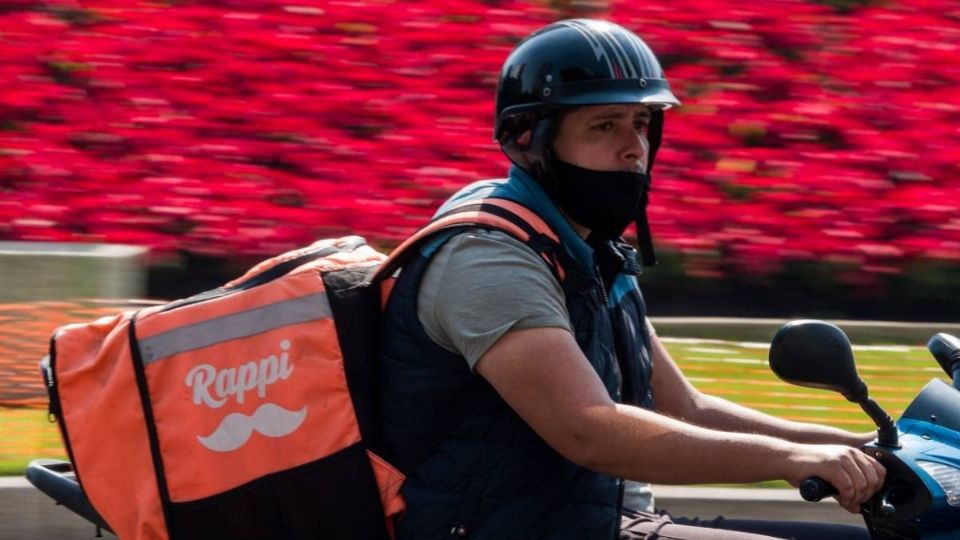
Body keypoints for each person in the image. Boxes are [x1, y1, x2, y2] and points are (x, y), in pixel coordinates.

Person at [377, 18, 885, 540]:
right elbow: (589, 429)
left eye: (640, 123)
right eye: (605, 125)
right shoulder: (489, 259)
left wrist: (863, 449)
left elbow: (687, 408)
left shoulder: (589, 251)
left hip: (599, 520)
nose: (633, 148)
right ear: (531, 138)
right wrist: (790, 458)